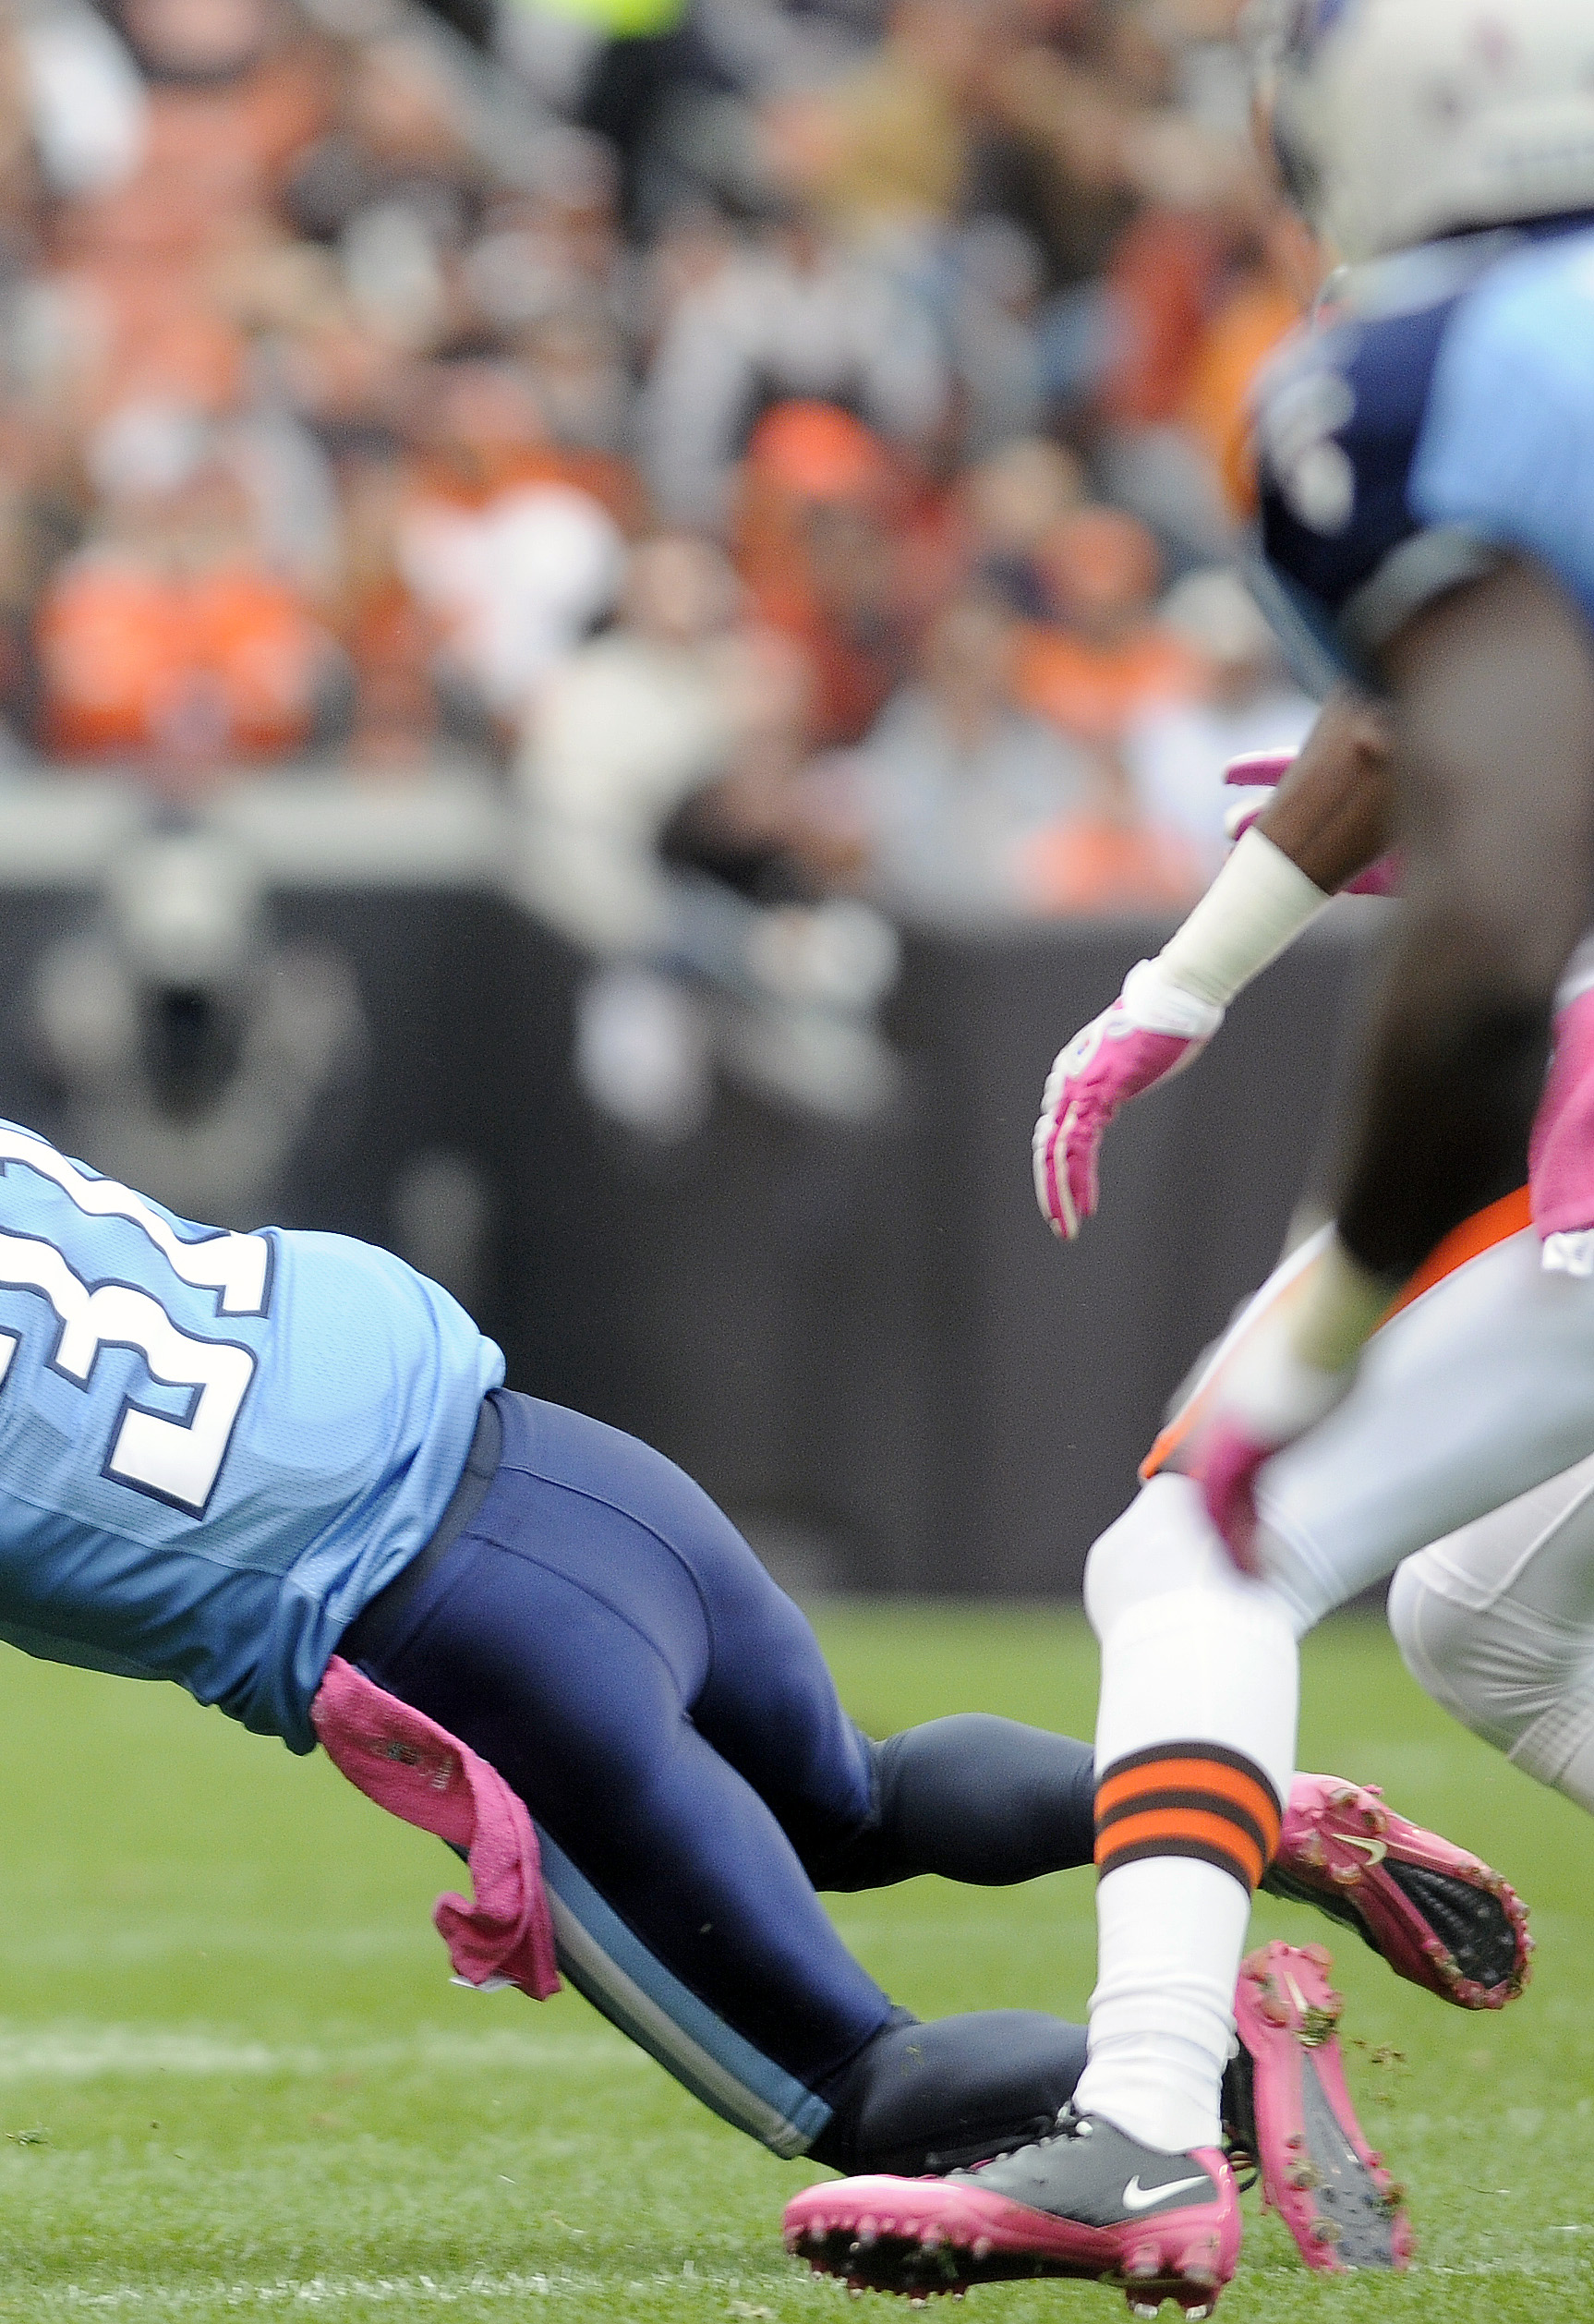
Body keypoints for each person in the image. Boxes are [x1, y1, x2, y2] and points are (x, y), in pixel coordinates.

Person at [0, 1062, 1519, 2257]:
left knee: (851, 2083)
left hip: (454, 1646)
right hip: (550, 1456)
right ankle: (1254, 1824)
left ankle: (1183, 2081)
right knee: (847, 1788)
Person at [787, 3, 1594, 2306]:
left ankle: (1140, 2116)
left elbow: (1498, 809)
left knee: (1196, 1555)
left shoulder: (1430, 373)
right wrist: (1182, 979)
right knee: (1484, 1612)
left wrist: (1330, 1306)